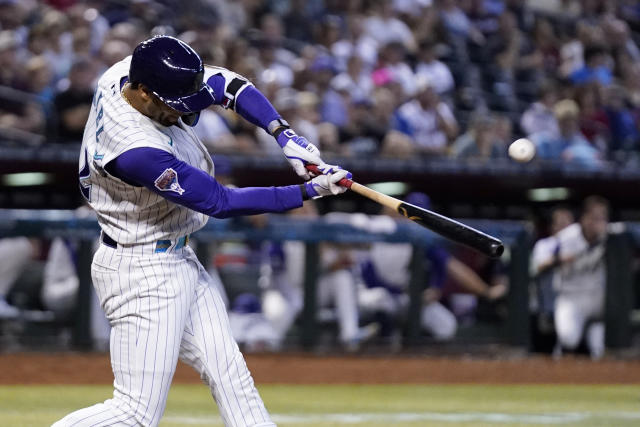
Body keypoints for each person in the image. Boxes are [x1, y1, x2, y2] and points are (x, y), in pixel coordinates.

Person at [53, 35, 350, 427]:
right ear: (142, 93)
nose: (180, 114)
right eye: (171, 107)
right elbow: (220, 202)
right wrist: (310, 190)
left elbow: (228, 86)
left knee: (231, 376)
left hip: (175, 255)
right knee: (134, 413)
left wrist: (283, 134)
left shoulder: (125, 73)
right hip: (142, 270)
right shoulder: (133, 149)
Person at [532, 196, 609, 360]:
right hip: (570, 297)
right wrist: (559, 259)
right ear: (584, 218)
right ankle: (560, 375)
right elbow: (537, 264)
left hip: (597, 297)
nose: (599, 223)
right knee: (569, 339)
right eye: (595, 218)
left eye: (602, 218)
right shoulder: (566, 237)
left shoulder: (611, 237)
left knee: (600, 347)